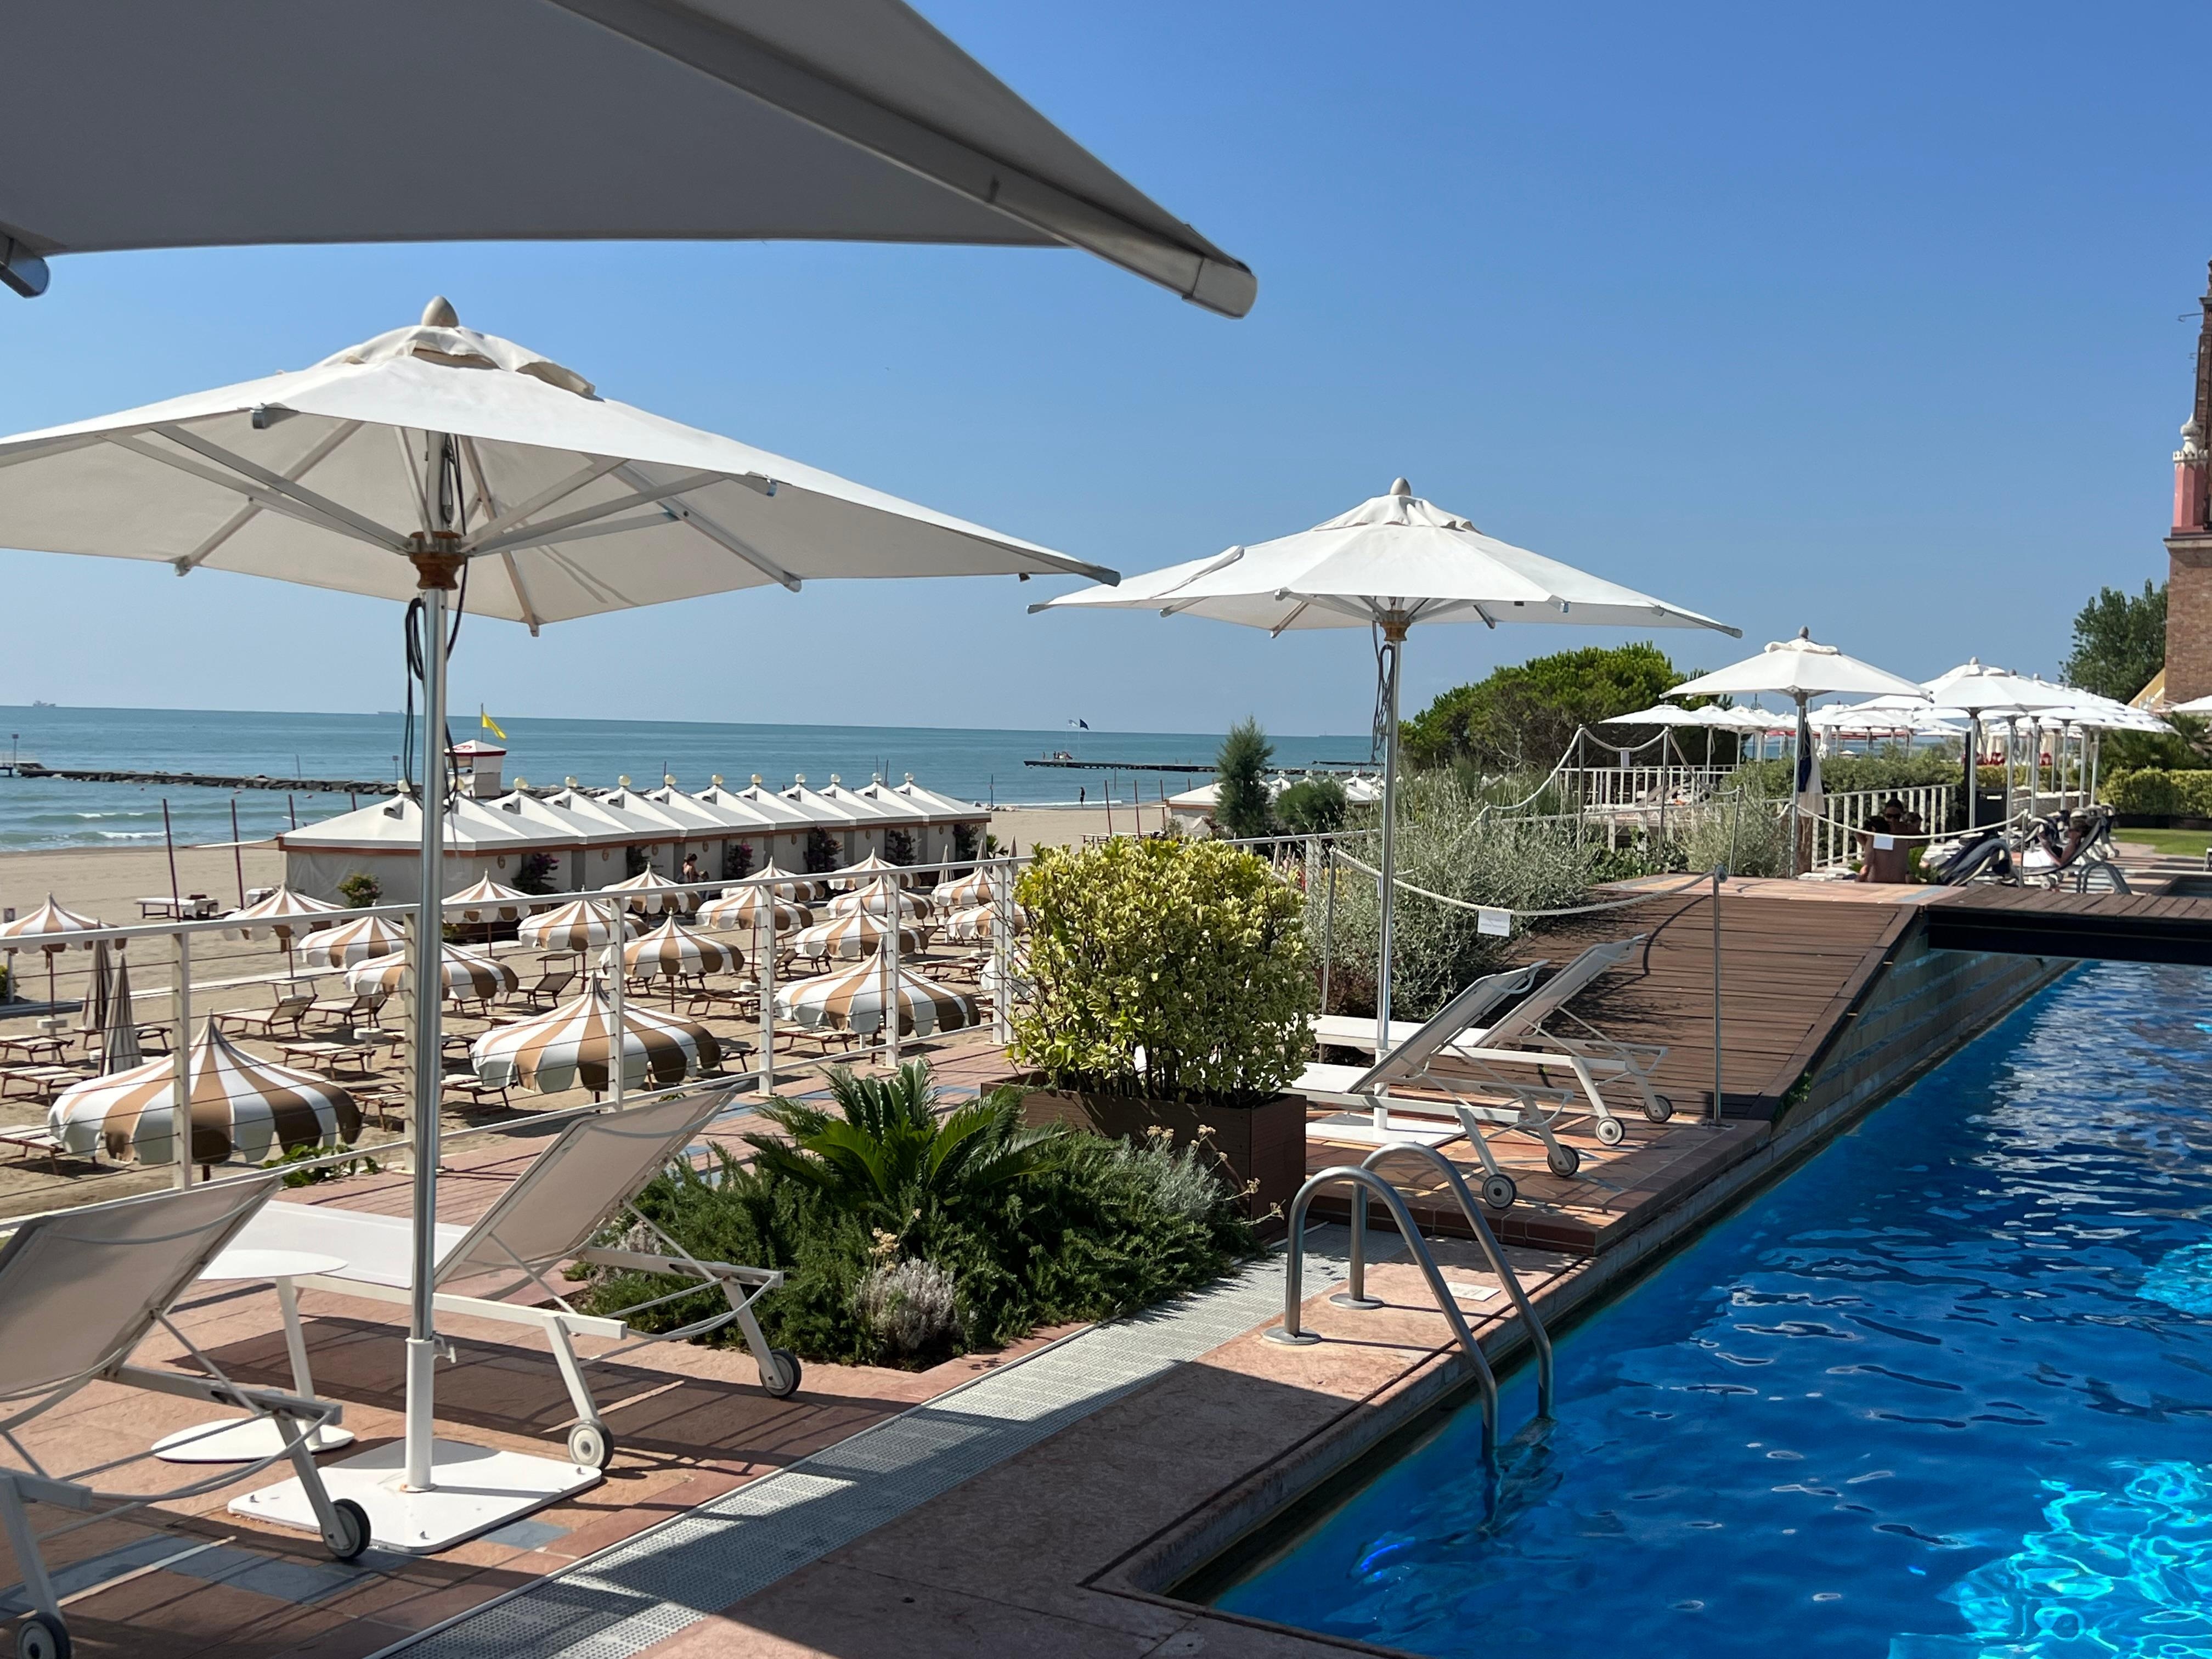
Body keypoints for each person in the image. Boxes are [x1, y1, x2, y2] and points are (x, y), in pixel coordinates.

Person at [1856, 805, 1911, 884]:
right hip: (1899, 882)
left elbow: (1865, 869)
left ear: (1873, 829)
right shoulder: (1902, 842)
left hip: (1877, 883)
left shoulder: (1873, 842)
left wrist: (1856, 881)